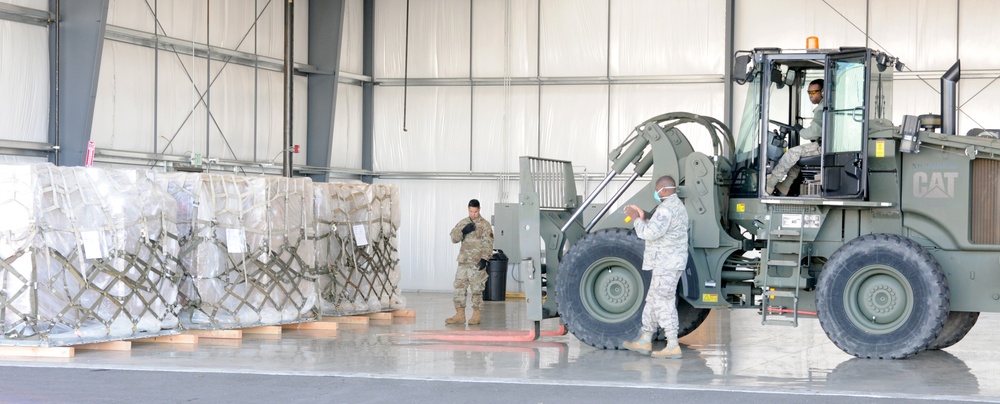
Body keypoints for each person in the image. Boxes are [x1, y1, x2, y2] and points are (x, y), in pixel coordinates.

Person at [622, 175, 689, 359]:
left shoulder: (666, 209)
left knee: (663, 301)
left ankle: (672, 344)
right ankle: (645, 339)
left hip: (666, 263)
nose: (656, 194)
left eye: (657, 190)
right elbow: (660, 230)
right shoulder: (676, 207)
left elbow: (649, 233)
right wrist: (644, 217)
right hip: (668, 262)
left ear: (664, 191)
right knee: (652, 299)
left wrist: (635, 219)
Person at [766, 78, 824, 195]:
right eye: (809, 93)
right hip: (824, 145)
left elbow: (813, 133)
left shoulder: (822, 109)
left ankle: (770, 183)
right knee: (795, 161)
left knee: (792, 153)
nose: (810, 96)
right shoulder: (824, 107)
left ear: (822, 92)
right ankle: (784, 186)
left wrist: (800, 129)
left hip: (823, 147)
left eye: (814, 92)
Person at [445, 199, 494, 325]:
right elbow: (454, 239)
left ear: (479, 209)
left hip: (477, 262)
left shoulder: (485, 225)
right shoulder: (463, 223)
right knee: (459, 287)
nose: (473, 214)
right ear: (468, 209)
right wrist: (463, 231)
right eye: (471, 211)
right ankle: (460, 315)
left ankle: (476, 314)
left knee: (477, 289)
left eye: (476, 212)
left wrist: (485, 259)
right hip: (463, 262)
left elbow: (488, 243)